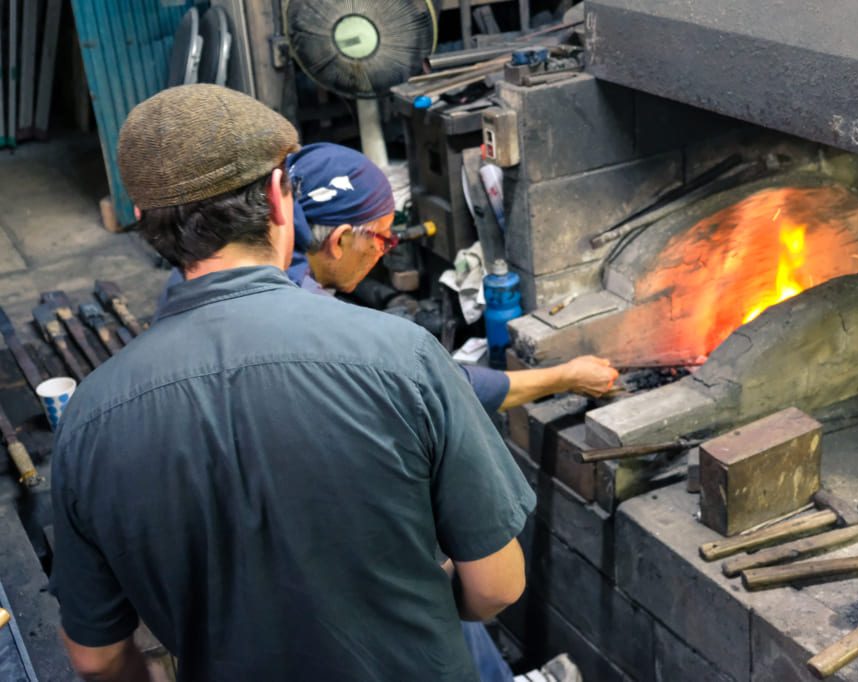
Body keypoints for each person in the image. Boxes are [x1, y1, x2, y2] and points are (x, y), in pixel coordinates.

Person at [50, 84, 536, 682]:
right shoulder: (400, 356)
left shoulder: (90, 417)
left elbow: (94, 658)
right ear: (282, 200)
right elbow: (497, 586)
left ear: (146, 223)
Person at [282, 141, 619, 415]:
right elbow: (447, 389)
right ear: (340, 240)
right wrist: (566, 376)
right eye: (383, 238)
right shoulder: (321, 327)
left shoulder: (272, 270)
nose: (386, 251)